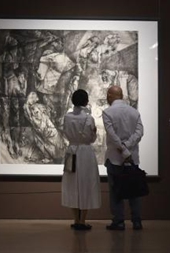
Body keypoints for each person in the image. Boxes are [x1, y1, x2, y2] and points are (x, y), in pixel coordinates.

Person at [103, 85, 145, 230]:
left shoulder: (107, 112)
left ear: (110, 95)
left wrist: (123, 148)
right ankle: (137, 221)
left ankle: (119, 221)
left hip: (115, 158)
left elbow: (112, 136)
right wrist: (128, 146)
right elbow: (140, 132)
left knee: (116, 192)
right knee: (134, 192)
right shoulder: (134, 112)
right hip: (132, 158)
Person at [61, 90, 101, 230]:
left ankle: (76, 219)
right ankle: (82, 220)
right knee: (86, 184)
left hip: (71, 150)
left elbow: (65, 133)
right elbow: (92, 138)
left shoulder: (67, 117)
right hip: (86, 153)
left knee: (71, 184)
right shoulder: (89, 118)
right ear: (86, 101)